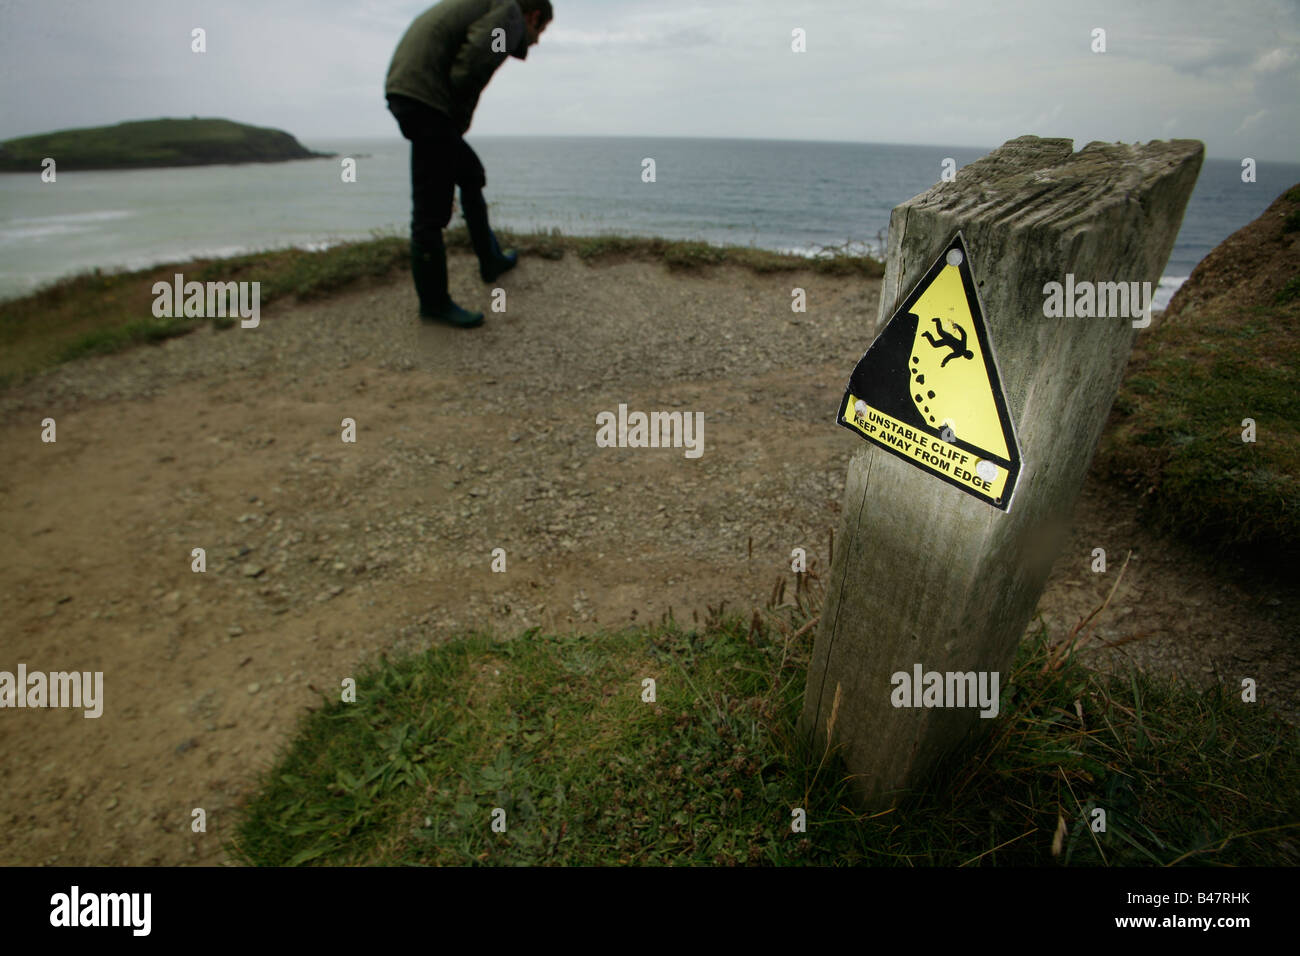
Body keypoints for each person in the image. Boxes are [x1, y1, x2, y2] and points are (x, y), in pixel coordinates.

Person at [385, 0, 552, 327]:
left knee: (471, 173)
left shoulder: (496, 9)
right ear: (532, 16)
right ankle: (434, 305)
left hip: (415, 93)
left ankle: (490, 259)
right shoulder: (509, 18)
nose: (537, 39)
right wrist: (455, 128)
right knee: (430, 211)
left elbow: (467, 63)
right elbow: (472, 66)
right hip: (425, 101)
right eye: (540, 29)